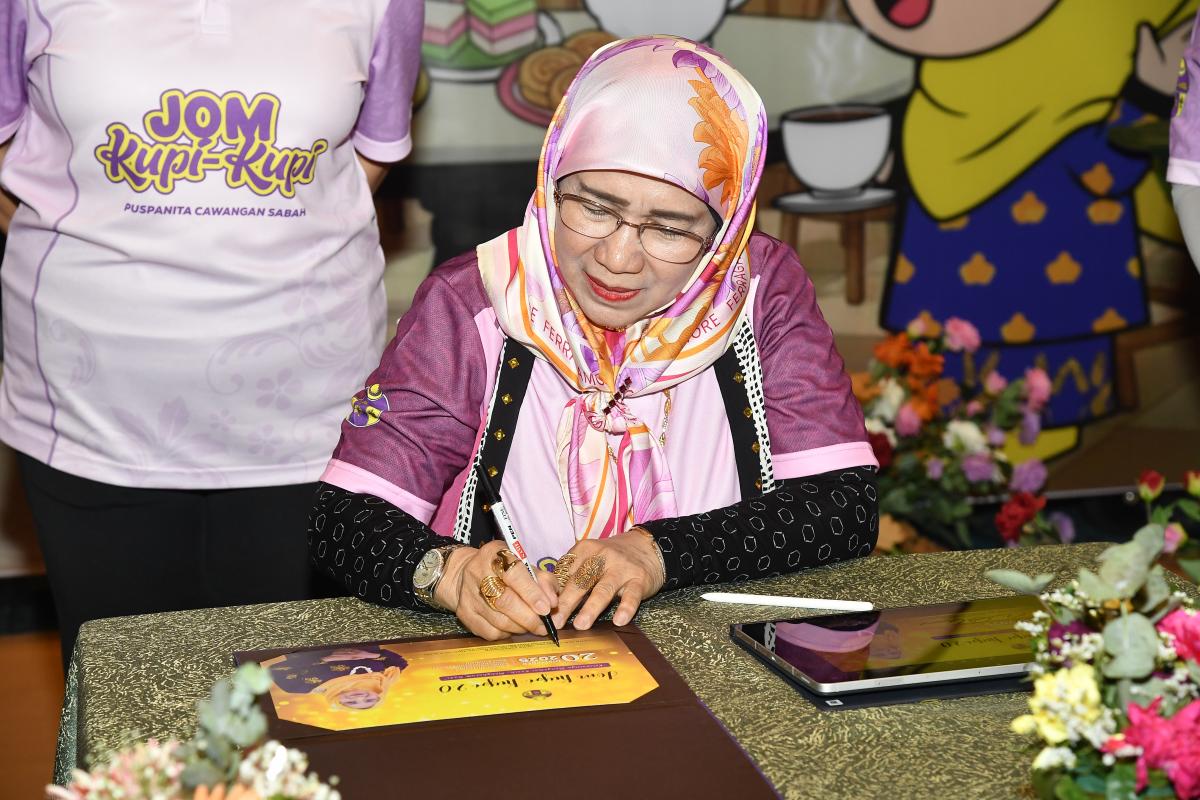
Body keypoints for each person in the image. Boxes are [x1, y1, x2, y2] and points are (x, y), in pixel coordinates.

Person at [308, 36, 879, 641]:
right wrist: (450, 574)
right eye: (595, 208)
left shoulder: (757, 293)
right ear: (552, 179)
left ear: (723, 232)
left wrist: (657, 553)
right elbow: (344, 517)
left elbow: (840, 506)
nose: (618, 258)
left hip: (720, 655)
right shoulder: (476, 299)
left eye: (670, 229)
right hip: (518, 662)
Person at [0, 0, 423, 667]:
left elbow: (366, 161)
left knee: (295, 696)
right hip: (89, 409)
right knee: (128, 691)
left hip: (310, 413)